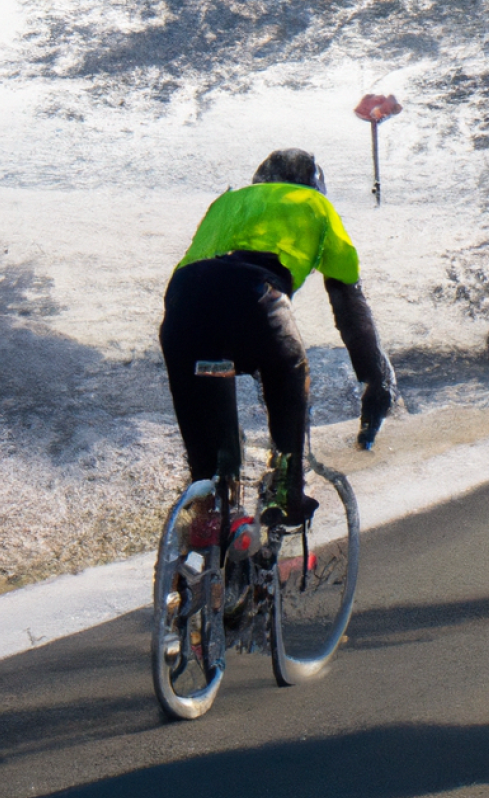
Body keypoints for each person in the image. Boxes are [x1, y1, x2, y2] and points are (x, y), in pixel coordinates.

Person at [159, 148, 397, 528]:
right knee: (289, 371)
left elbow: (202, 273)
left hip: (185, 307)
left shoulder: (230, 201)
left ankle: (206, 533)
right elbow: (350, 308)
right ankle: (286, 492)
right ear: (314, 186)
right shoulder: (316, 204)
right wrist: (376, 381)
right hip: (254, 297)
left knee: (213, 470)